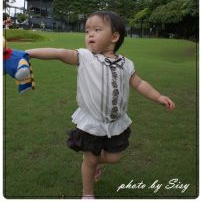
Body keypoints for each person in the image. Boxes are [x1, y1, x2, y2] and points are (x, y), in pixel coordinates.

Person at [26, 11, 175, 199]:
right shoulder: (86, 57)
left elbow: (139, 83)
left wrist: (159, 96)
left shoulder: (126, 64)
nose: (90, 34)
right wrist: (28, 53)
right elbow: (59, 53)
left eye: (97, 29)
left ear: (114, 37)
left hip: (116, 122)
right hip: (92, 123)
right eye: (87, 30)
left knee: (115, 157)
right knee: (90, 158)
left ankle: (95, 162)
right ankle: (87, 194)